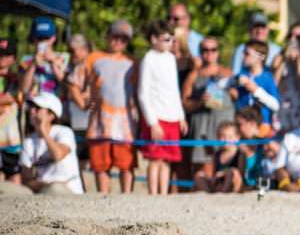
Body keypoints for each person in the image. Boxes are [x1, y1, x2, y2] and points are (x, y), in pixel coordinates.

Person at [85, 21, 136, 194]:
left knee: (126, 164)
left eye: (123, 39)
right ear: (107, 36)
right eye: (115, 37)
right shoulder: (93, 58)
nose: (118, 42)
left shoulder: (132, 63)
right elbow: (75, 83)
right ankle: (102, 199)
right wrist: (84, 101)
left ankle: (127, 197)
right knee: (100, 165)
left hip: (125, 124)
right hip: (99, 123)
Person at [137, 20, 187, 195]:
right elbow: (142, 93)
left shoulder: (171, 59)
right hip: (156, 117)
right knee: (155, 159)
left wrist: (181, 116)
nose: (170, 43)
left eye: (172, 39)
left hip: (172, 117)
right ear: (153, 39)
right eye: (166, 39)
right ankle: (153, 195)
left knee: (167, 160)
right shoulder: (148, 59)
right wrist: (152, 123)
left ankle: (163, 196)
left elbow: (174, 91)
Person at [182, 37, 234, 174]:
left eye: (213, 49)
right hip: (202, 128)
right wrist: (200, 101)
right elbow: (185, 104)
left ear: (218, 52)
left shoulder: (228, 73)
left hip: (223, 129)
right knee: (202, 171)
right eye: (205, 50)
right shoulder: (193, 75)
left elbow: (237, 99)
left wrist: (231, 90)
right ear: (200, 52)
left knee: (224, 168)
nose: (209, 53)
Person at [18, 92, 84, 194]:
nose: (31, 111)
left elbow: (58, 155)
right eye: (31, 107)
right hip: (44, 192)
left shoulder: (64, 132)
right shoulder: (29, 141)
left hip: (70, 191)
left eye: (37, 108)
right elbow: (26, 180)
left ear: (51, 115)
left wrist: (44, 132)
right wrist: (44, 186)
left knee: (55, 188)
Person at [229, 39, 281, 129]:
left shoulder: (267, 78)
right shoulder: (241, 76)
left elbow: (275, 105)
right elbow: (224, 85)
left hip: (261, 128)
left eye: (247, 53)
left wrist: (256, 90)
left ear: (261, 57)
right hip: (242, 126)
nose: (242, 56)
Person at [193, 121, 244, 193]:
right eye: (223, 136)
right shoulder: (217, 154)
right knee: (199, 176)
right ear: (218, 137)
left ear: (237, 138)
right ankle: (209, 192)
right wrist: (204, 175)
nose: (226, 140)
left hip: (232, 183)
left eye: (230, 137)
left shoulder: (240, 154)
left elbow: (240, 173)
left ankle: (225, 192)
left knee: (232, 172)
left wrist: (225, 173)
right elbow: (213, 173)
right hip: (218, 182)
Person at [0, 37, 21, 185]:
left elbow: (18, 96)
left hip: (12, 137)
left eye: (6, 55)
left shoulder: (17, 78)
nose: (2, 58)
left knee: (15, 174)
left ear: (14, 58)